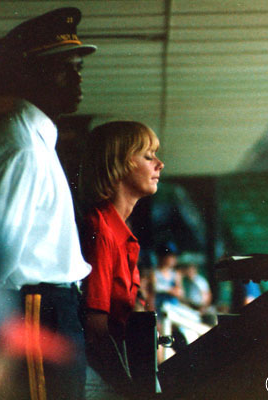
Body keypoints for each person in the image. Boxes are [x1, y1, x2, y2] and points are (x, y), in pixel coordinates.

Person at [0, 8, 96, 400]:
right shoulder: (23, 148)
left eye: (79, 66)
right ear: (33, 76)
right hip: (36, 310)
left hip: (52, 308)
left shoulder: (36, 140)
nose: (78, 77)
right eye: (65, 68)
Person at [78, 121, 164, 397]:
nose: (159, 164)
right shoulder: (100, 229)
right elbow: (96, 326)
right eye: (148, 157)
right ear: (118, 165)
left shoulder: (117, 230)